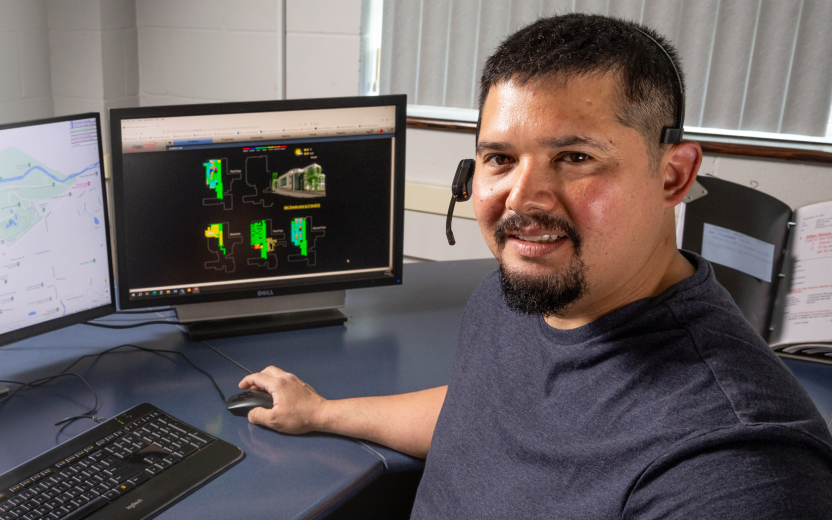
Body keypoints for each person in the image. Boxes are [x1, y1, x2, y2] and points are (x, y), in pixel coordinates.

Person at [239, 13, 832, 518]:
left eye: (574, 157)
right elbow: (480, 409)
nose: (522, 199)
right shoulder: (522, 291)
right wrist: (321, 412)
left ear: (672, 174)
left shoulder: (734, 463)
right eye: (500, 157)